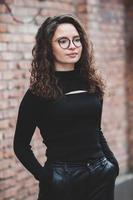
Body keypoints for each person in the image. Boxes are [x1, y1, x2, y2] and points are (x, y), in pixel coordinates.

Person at [13, 14, 119, 200]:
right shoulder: (37, 94)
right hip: (63, 180)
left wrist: (112, 164)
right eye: (63, 41)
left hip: (101, 175)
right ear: (48, 47)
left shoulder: (92, 84)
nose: (72, 46)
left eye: (76, 39)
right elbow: (20, 146)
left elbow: (95, 130)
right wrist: (46, 178)